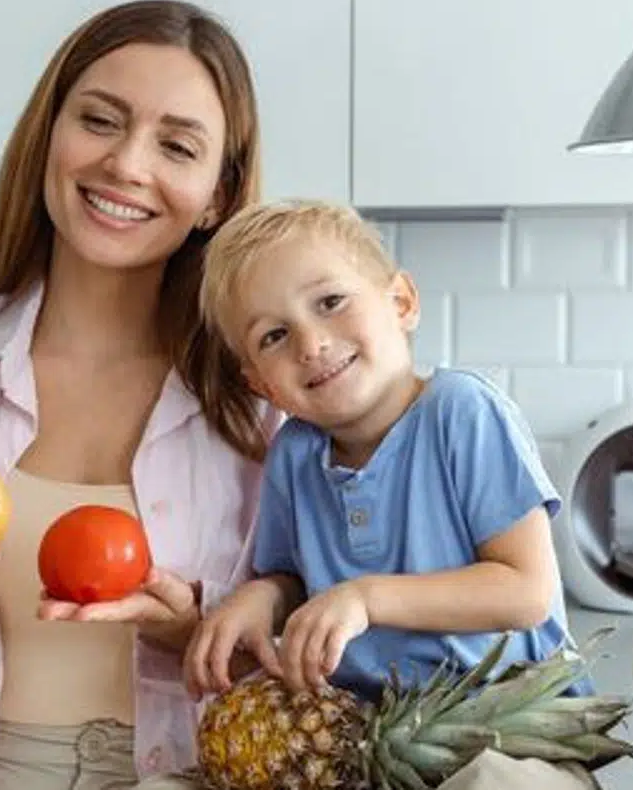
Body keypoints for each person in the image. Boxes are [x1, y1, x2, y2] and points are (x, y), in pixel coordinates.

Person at [0, 0, 282, 790]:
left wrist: (194, 629)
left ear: (218, 193)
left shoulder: (261, 394)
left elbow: (321, 655)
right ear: (48, 135)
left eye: (177, 146)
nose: (127, 165)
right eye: (100, 121)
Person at [184, 198, 589, 708]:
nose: (310, 345)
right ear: (261, 385)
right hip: (373, 726)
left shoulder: (462, 411)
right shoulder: (294, 454)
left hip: (512, 716)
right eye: (274, 335)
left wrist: (366, 598)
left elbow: (526, 593)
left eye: (330, 302)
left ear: (401, 302)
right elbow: (295, 582)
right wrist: (262, 599)